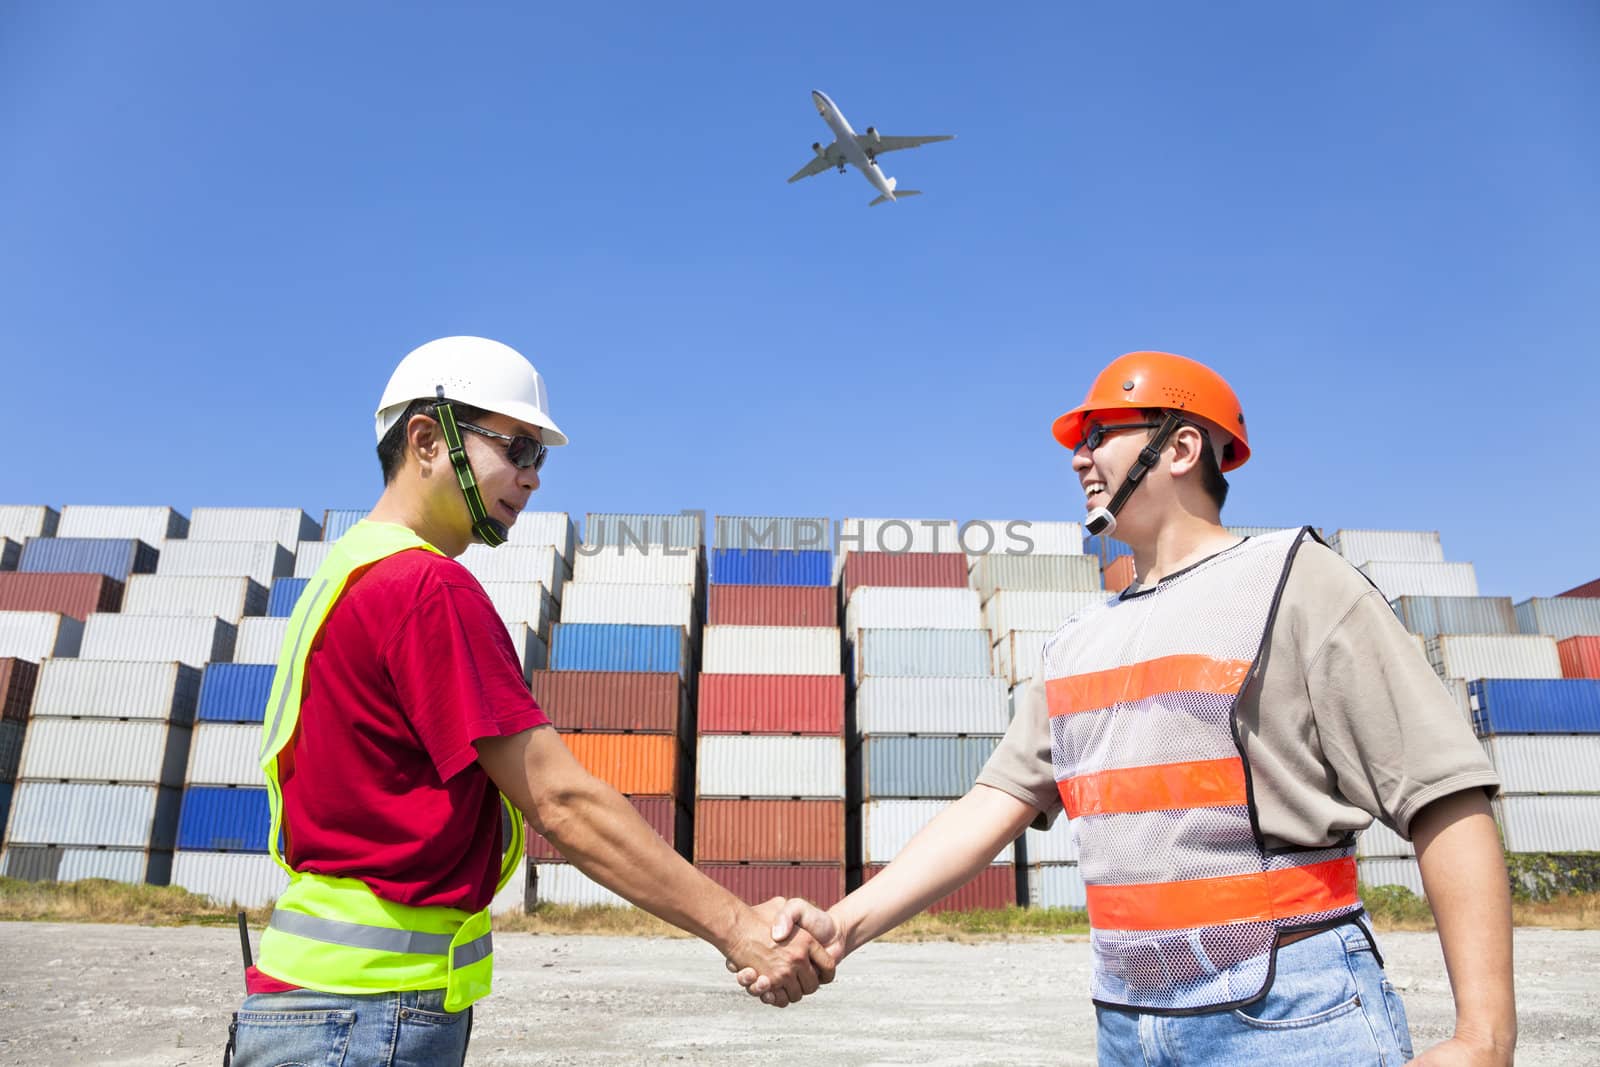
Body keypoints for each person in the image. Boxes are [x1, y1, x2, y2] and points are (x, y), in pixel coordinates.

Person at [741, 351, 1517, 1065]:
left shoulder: (1297, 580)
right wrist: (842, 926)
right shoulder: (1080, 638)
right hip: (1128, 1023)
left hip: (1291, 1016)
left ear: (1179, 449)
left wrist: (1483, 1035)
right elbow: (993, 802)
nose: (1077, 457)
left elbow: (1443, 792)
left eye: (1100, 433)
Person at [227, 336, 830, 1067]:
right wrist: (739, 926)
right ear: (426, 438)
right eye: (516, 447)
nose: (532, 477)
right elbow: (561, 800)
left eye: (539, 456)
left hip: (311, 1004)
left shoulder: (345, 574)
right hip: (367, 1019)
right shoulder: (427, 589)